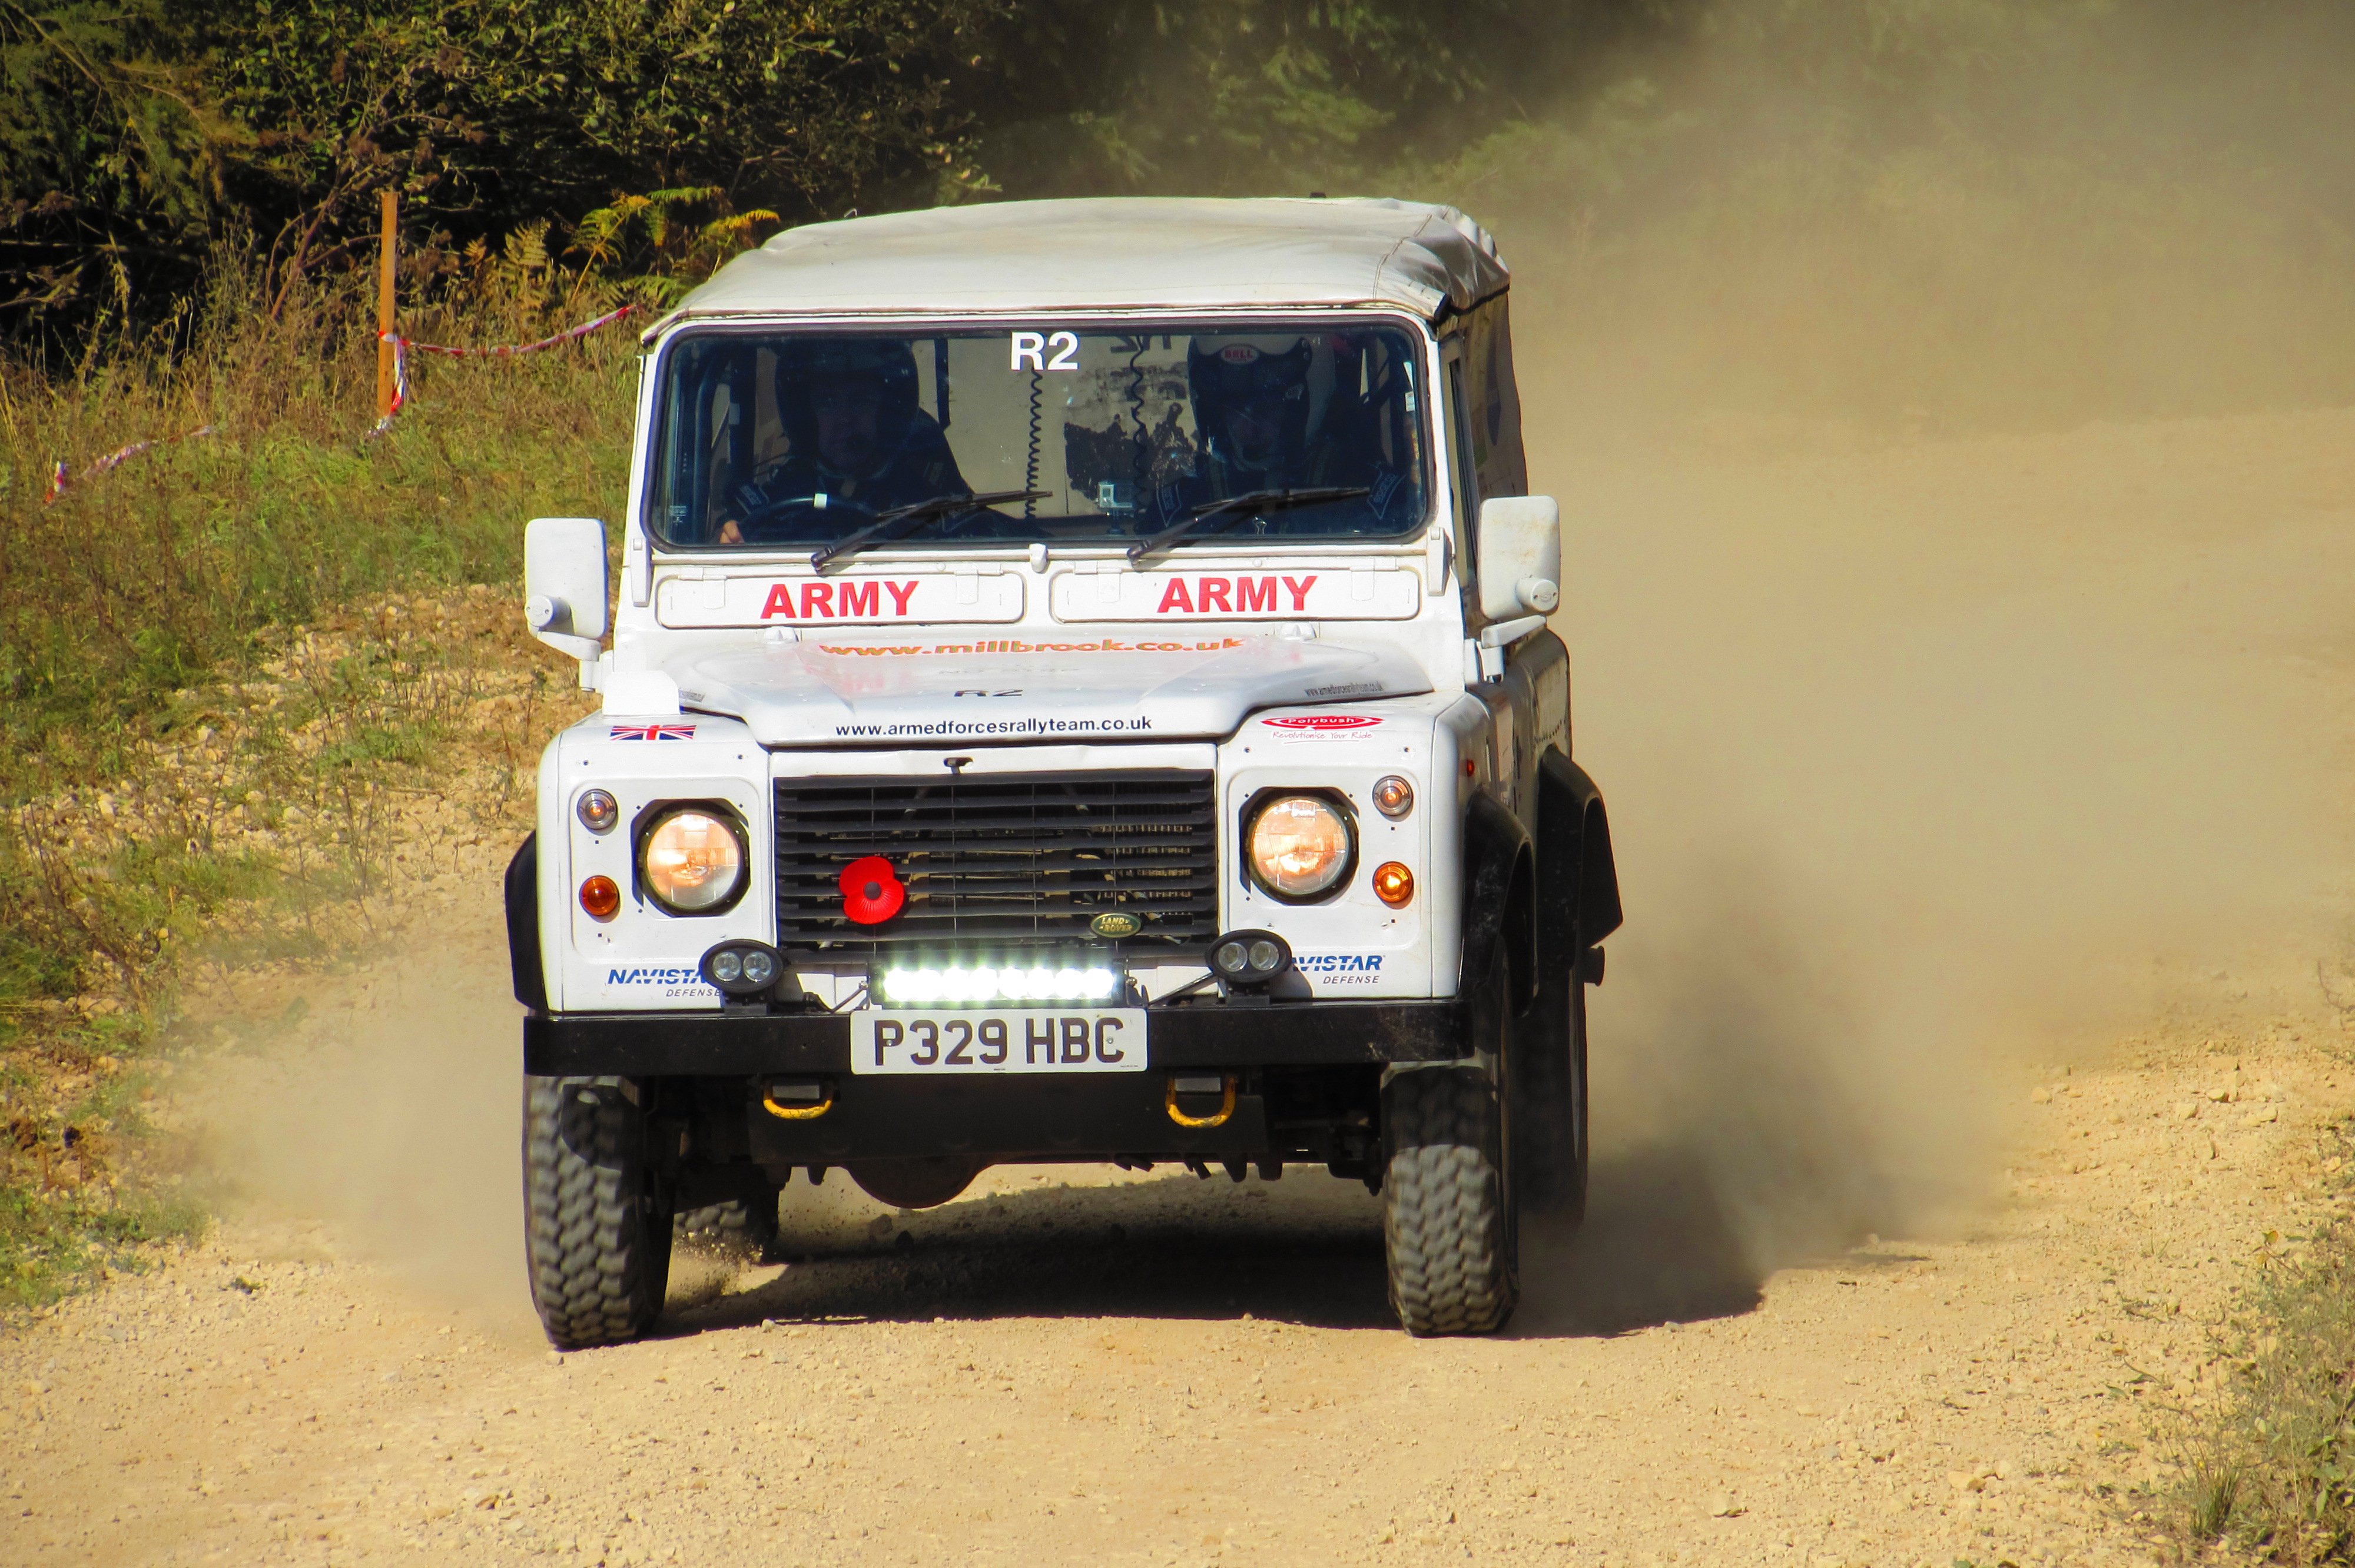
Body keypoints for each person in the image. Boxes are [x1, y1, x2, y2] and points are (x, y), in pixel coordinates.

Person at [1142, 333, 1416, 529]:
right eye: (1234, 409)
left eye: (1268, 408)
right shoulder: (1177, 509)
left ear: (1305, 404)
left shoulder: (1371, 496)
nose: (1249, 428)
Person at [717, 339, 970, 544]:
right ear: (809, 418)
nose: (844, 420)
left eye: (860, 402)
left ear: (885, 413)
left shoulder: (924, 489)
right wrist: (729, 535)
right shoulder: (786, 492)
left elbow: (974, 530)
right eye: (827, 403)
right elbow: (733, 535)